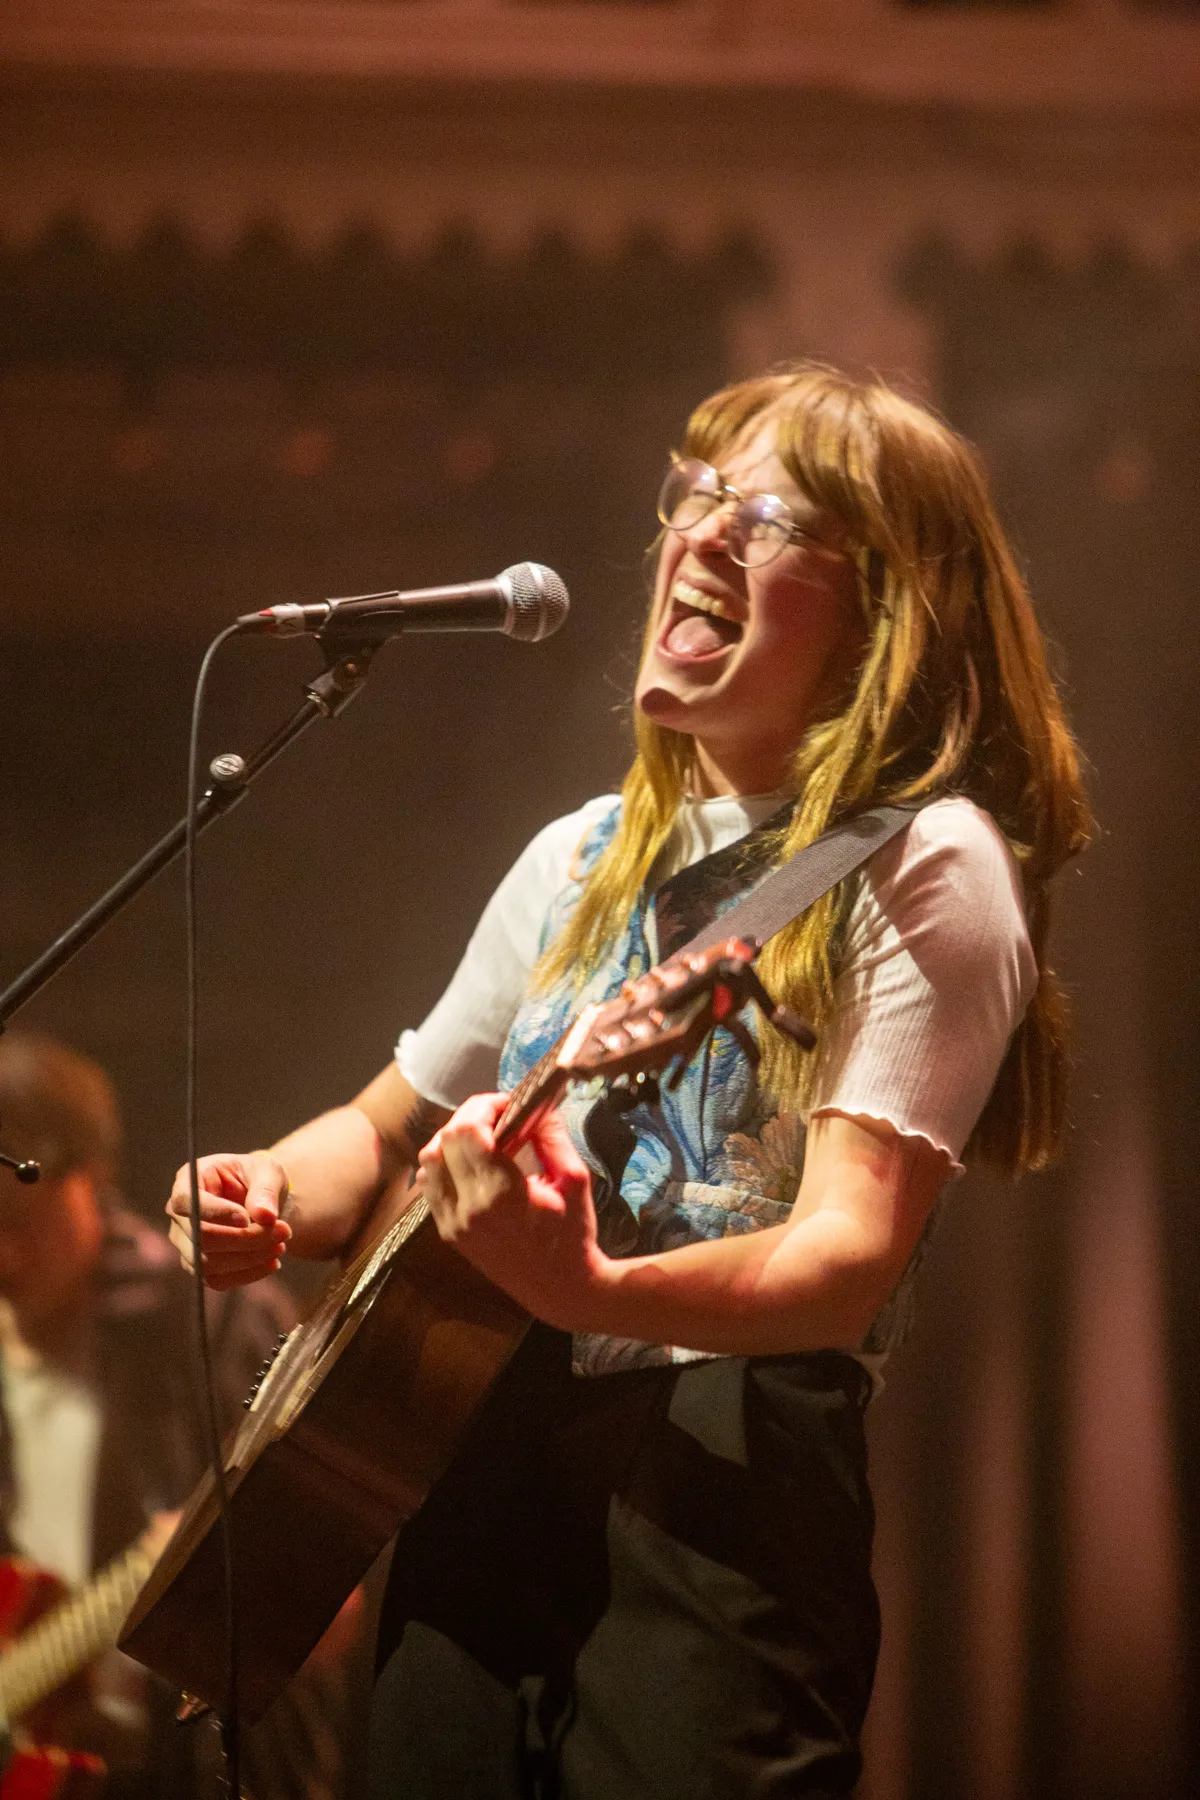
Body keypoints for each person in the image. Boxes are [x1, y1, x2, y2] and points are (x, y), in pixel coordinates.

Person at [167, 363, 1091, 1799]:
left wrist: (588, 1288)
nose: (703, 532)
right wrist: (267, 1186)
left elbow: (846, 1261)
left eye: (770, 519)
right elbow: (385, 1130)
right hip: (470, 1444)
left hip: (722, 1492)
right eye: (697, 494)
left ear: (884, 613)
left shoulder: (926, 861)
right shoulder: (578, 857)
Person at [0, 1031, 298, 1796]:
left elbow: (321, 1611)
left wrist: (206, 1600)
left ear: (93, 1175)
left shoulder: (211, 1316)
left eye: (19, 1221)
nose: (5, 1257)